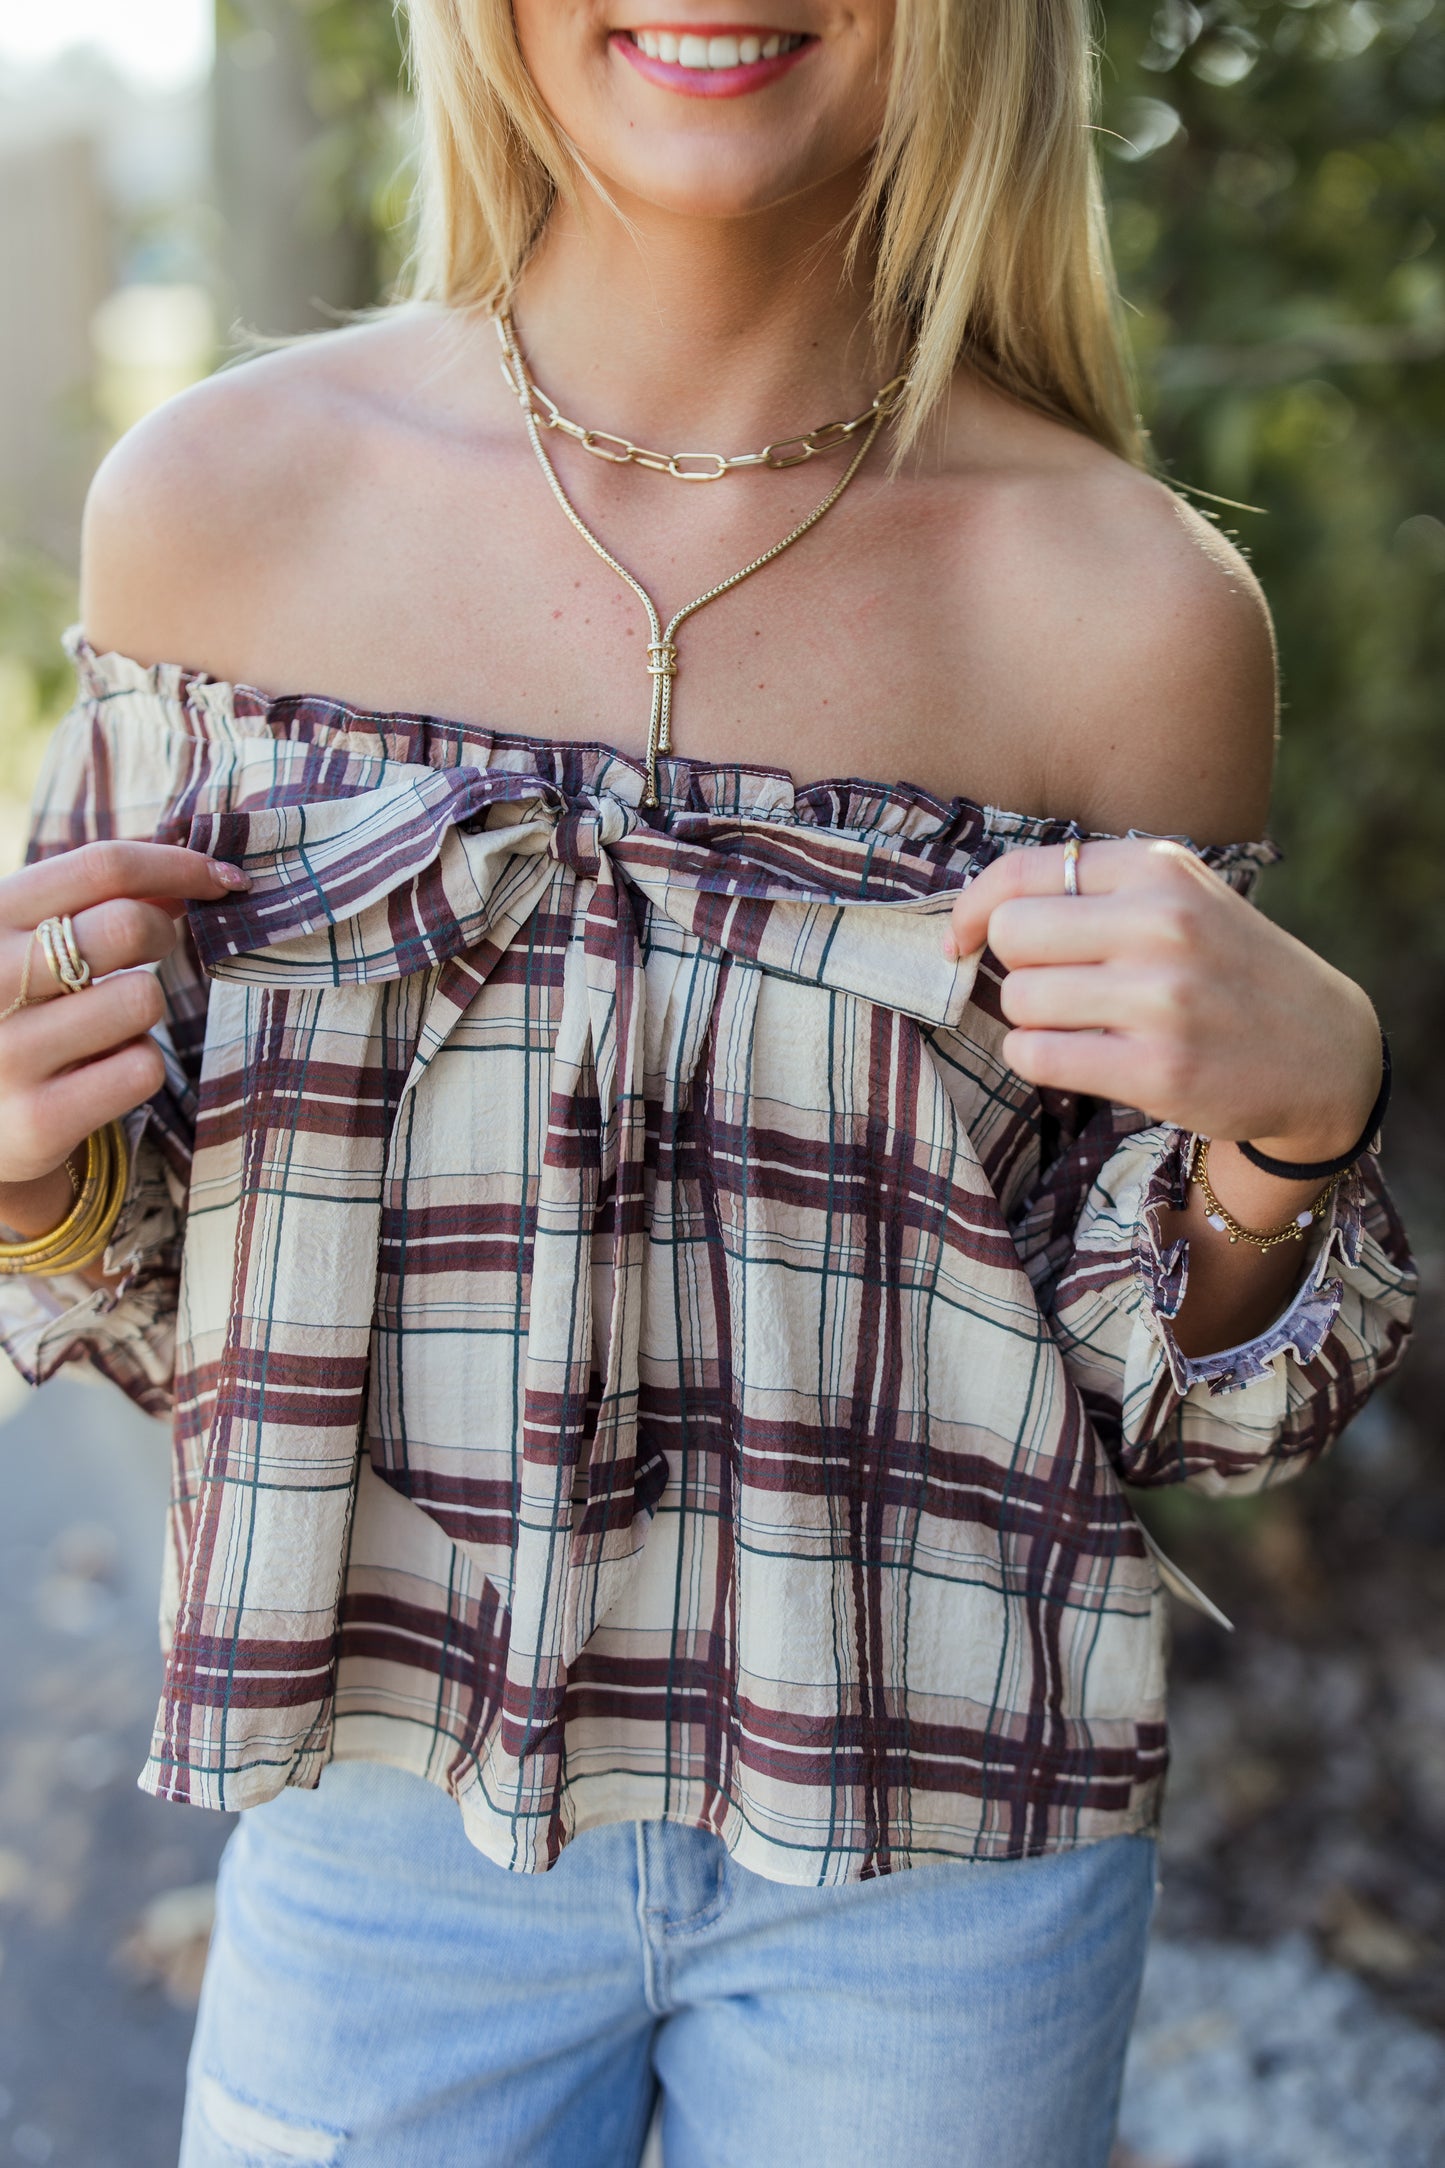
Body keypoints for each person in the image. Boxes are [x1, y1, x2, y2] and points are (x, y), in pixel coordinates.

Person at [0, 4, 1416, 2163]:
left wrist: (1293, 1135)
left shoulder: (1131, 612)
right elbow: (161, 1272)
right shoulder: (217, 516)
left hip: (945, 1868)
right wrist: (33, 1181)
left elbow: (1143, 1394)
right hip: (386, 1828)